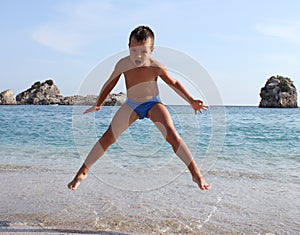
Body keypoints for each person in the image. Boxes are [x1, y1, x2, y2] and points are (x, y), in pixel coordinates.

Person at [68, 25, 211, 191]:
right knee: (108, 136)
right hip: (131, 105)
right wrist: (99, 103)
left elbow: (174, 83)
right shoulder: (123, 64)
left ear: (151, 50)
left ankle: (196, 174)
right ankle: (82, 172)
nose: (138, 56)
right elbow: (110, 84)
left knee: (172, 134)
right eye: (134, 50)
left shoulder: (156, 66)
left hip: (153, 103)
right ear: (129, 47)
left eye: (143, 51)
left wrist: (191, 100)